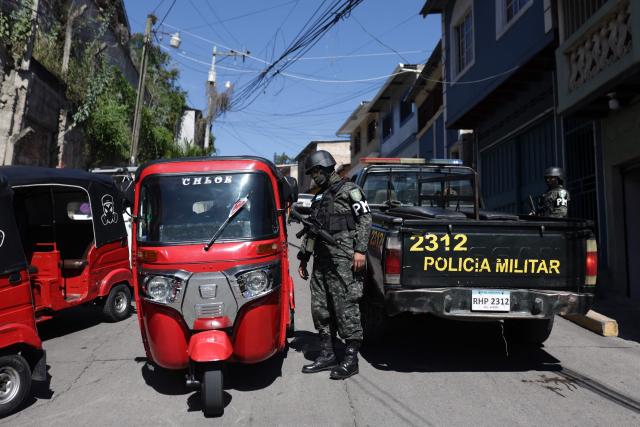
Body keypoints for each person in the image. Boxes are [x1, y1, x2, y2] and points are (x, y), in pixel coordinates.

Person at [298, 150, 372, 380]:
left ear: (326, 168)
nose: (314, 177)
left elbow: (365, 219)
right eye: (311, 173)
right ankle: (328, 353)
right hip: (322, 261)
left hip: (344, 259)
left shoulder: (350, 190)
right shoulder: (320, 198)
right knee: (321, 309)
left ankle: (350, 359)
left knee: (346, 308)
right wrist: (304, 257)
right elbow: (313, 229)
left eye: (316, 172)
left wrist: (360, 250)